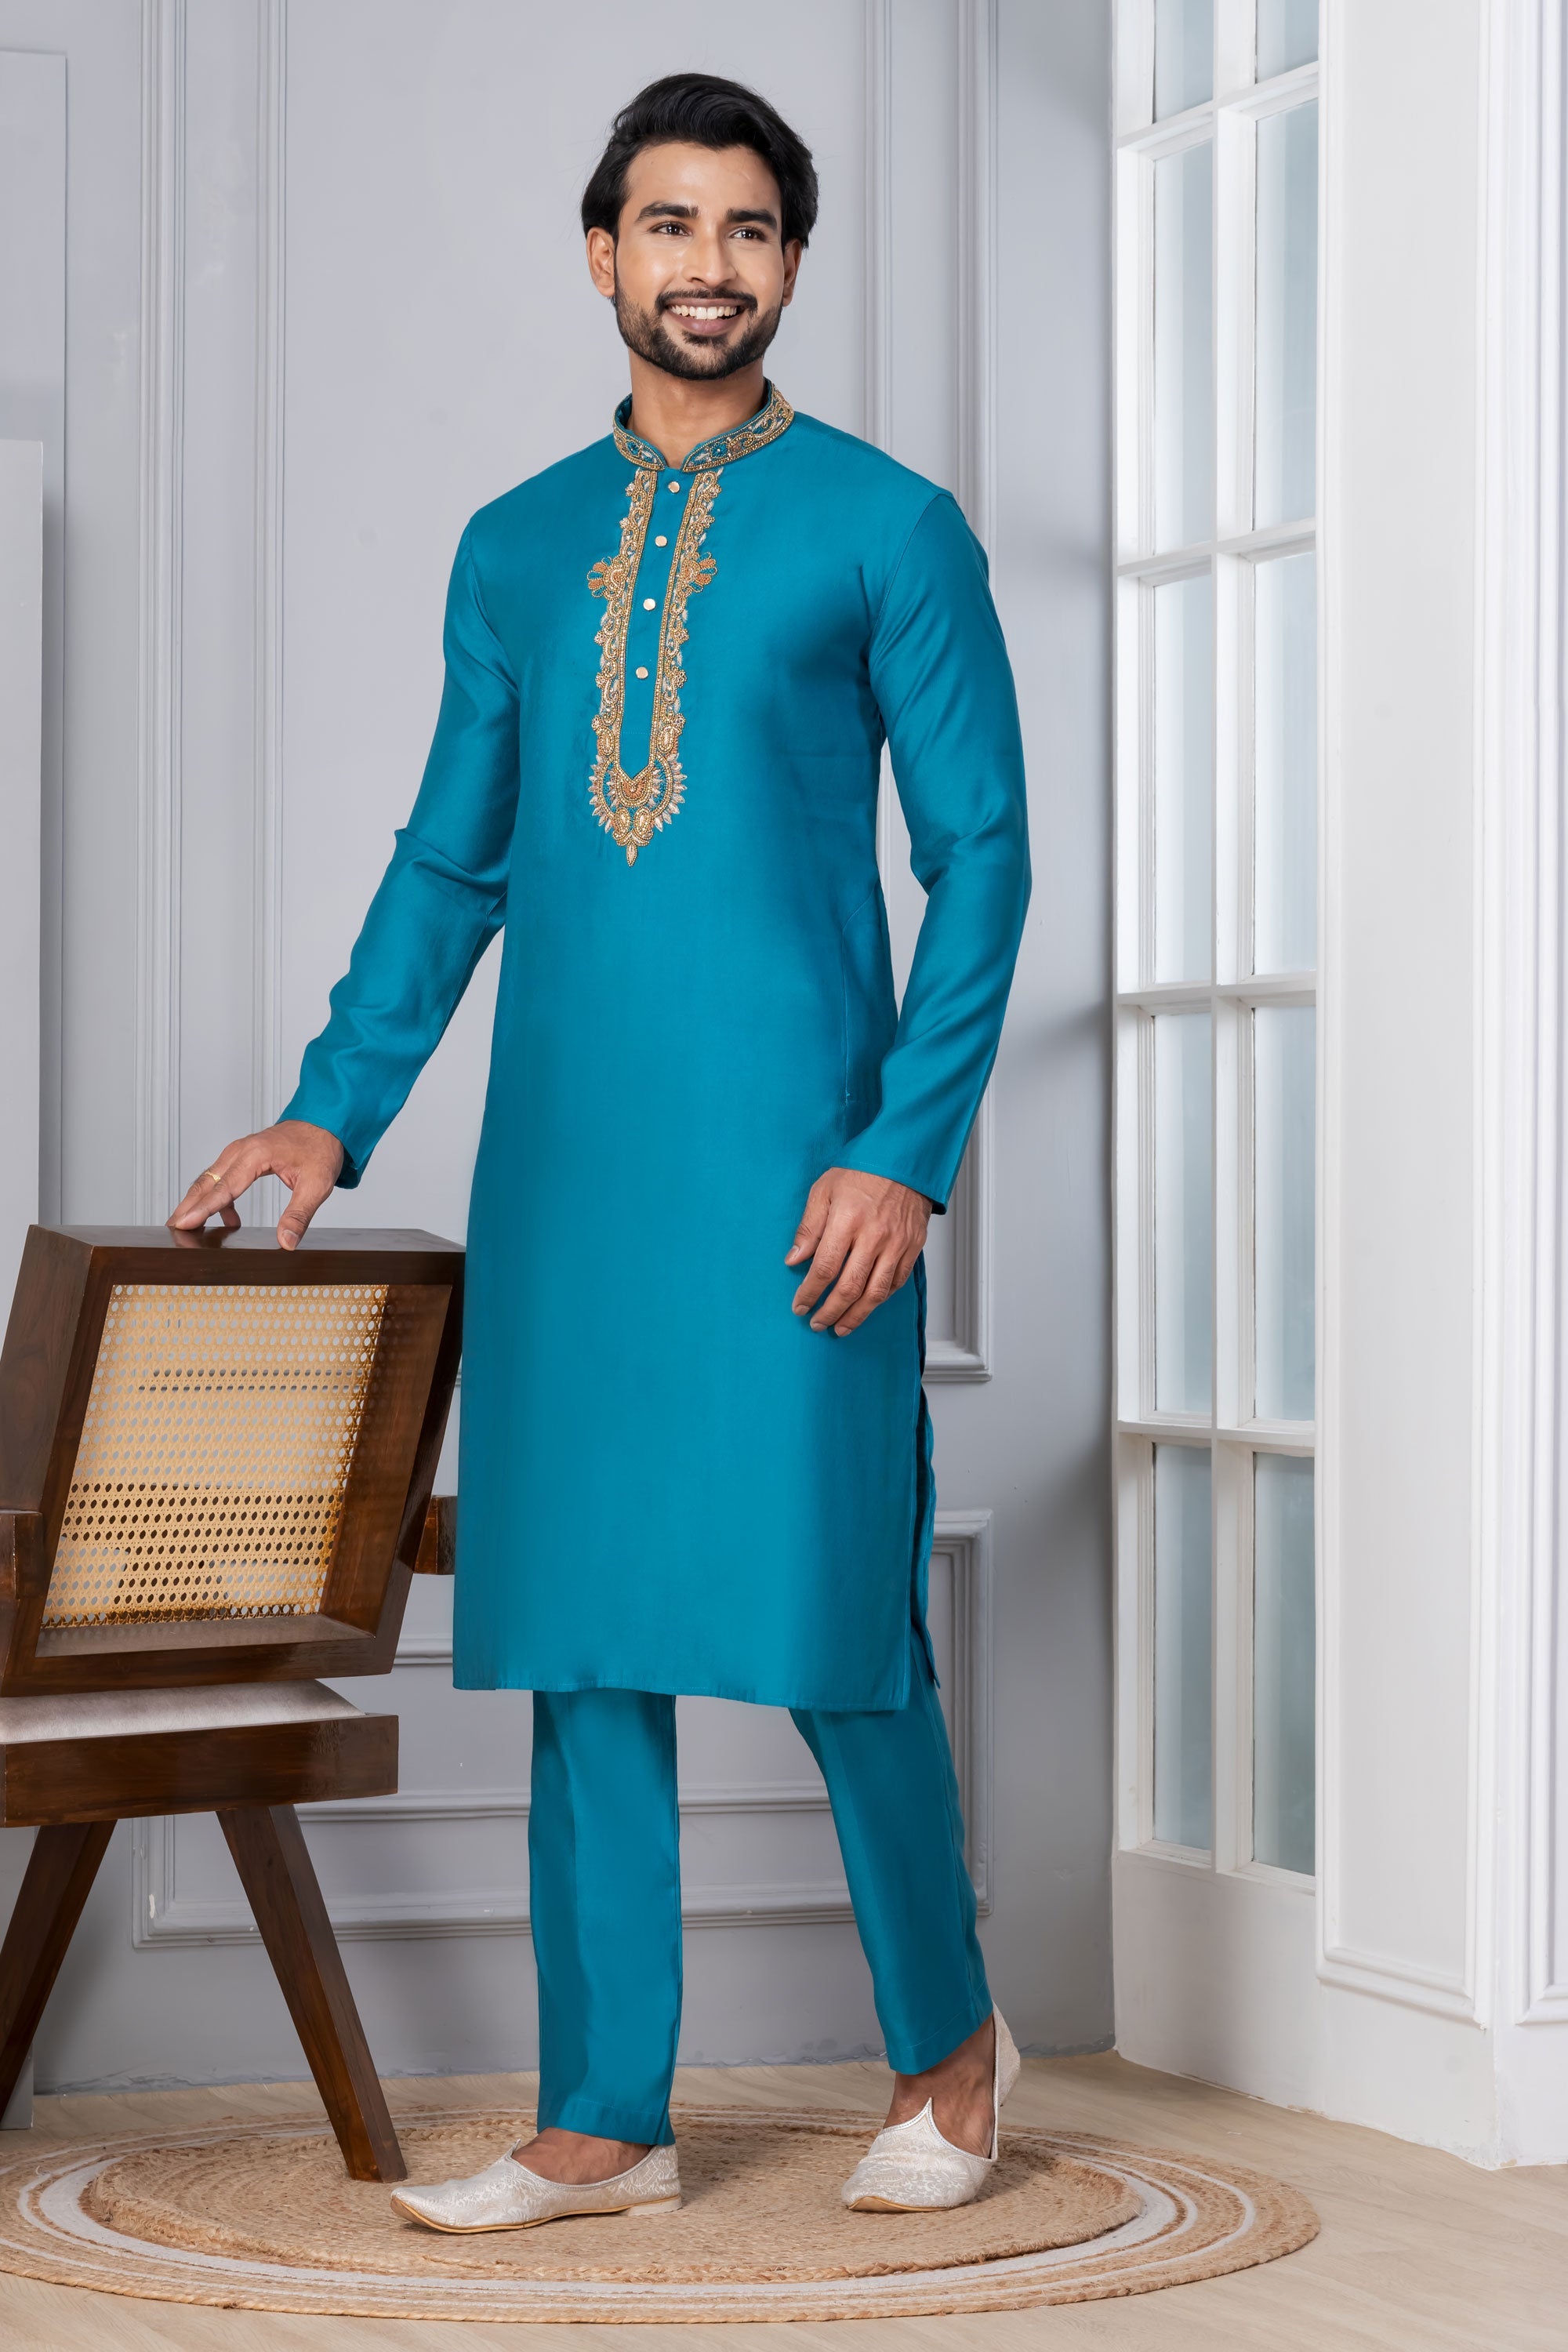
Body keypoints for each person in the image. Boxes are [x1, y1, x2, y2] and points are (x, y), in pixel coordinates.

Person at [171, 71, 1031, 2230]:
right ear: (601, 253)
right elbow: (452, 861)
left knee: (840, 1620)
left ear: (791, 263)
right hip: (567, 1180)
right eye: (669, 223)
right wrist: (329, 1107)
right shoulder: (516, 545)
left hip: (804, 1175)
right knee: (582, 1631)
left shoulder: (891, 529)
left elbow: (987, 860)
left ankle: (948, 2050)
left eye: (748, 228)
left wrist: (904, 1150)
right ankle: (605, 2114)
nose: (707, 265)